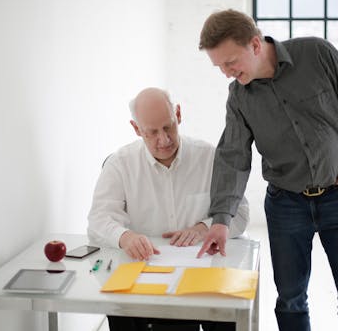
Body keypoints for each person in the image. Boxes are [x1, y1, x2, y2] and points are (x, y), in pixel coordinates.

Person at [196, 9, 338, 331]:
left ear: (255, 44)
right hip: (286, 205)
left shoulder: (316, 53)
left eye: (230, 63)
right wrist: (221, 220)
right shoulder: (239, 96)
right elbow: (233, 156)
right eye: (219, 67)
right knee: (290, 299)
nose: (226, 73)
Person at [88, 87, 249, 331]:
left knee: (229, 311)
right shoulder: (120, 164)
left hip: (202, 275)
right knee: (118, 307)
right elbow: (98, 220)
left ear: (178, 114)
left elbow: (242, 213)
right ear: (136, 129)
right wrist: (125, 236)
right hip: (144, 276)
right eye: (151, 132)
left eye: (168, 127)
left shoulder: (209, 157)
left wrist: (203, 228)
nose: (163, 140)